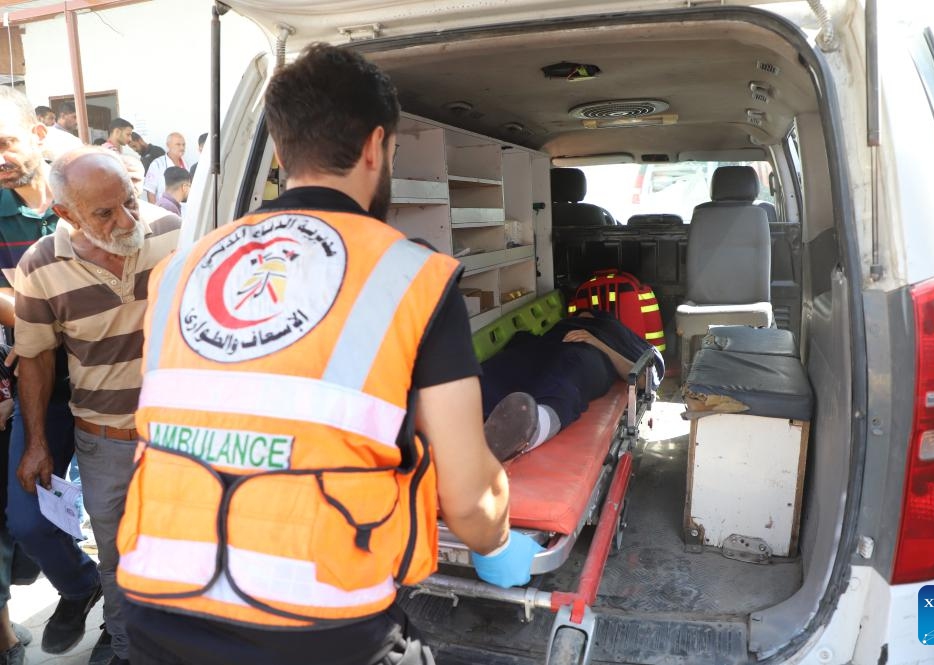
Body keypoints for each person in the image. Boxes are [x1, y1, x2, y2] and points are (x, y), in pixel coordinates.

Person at [117, 43, 538, 665]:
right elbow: (471, 504)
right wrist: (498, 543)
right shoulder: (411, 275)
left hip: (157, 606)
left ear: (281, 153)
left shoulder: (181, 270)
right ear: (377, 147)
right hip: (320, 622)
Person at [14, 146, 181, 665]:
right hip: (105, 441)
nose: (127, 219)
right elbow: (37, 358)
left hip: (182, 437)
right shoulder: (39, 267)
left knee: (187, 550)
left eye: (129, 201)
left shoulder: (173, 232)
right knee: (118, 557)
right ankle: (130, 650)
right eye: (105, 213)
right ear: (65, 214)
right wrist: (38, 442)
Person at [0, 87, 103, 665]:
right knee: (27, 519)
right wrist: (52, 317)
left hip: (119, 382)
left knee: (125, 521)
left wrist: (33, 310)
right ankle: (79, 584)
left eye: (6, 141)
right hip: (42, 385)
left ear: (38, 134)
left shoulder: (92, 184)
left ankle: (123, 623)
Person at [480, 309, 662, 461]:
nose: (583, 313)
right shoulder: (566, 322)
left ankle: (533, 428)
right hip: (545, 345)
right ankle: (467, 413)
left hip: (591, 352)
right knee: (504, 365)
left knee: (568, 371)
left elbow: (643, 378)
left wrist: (597, 343)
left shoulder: (617, 332)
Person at [142, 133, 185, 203]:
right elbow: (150, 192)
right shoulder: (157, 164)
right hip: (165, 211)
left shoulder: (185, 164)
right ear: (168, 145)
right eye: (178, 144)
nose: (182, 148)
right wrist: (157, 213)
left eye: (183, 145)